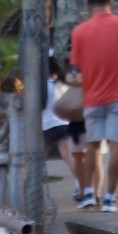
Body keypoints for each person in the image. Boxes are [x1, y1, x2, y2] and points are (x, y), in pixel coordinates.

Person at [67, 0, 118, 212]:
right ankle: (110, 198)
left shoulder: (79, 31)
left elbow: (77, 64)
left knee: (93, 146)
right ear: (110, 5)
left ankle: (88, 193)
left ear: (89, 8)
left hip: (92, 97)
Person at [44, 56, 86, 202]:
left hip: (46, 125)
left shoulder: (43, 85)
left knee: (35, 160)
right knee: (69, 157)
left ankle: (32, 191)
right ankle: (80, 186)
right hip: (64, 123)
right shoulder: (64, 82)